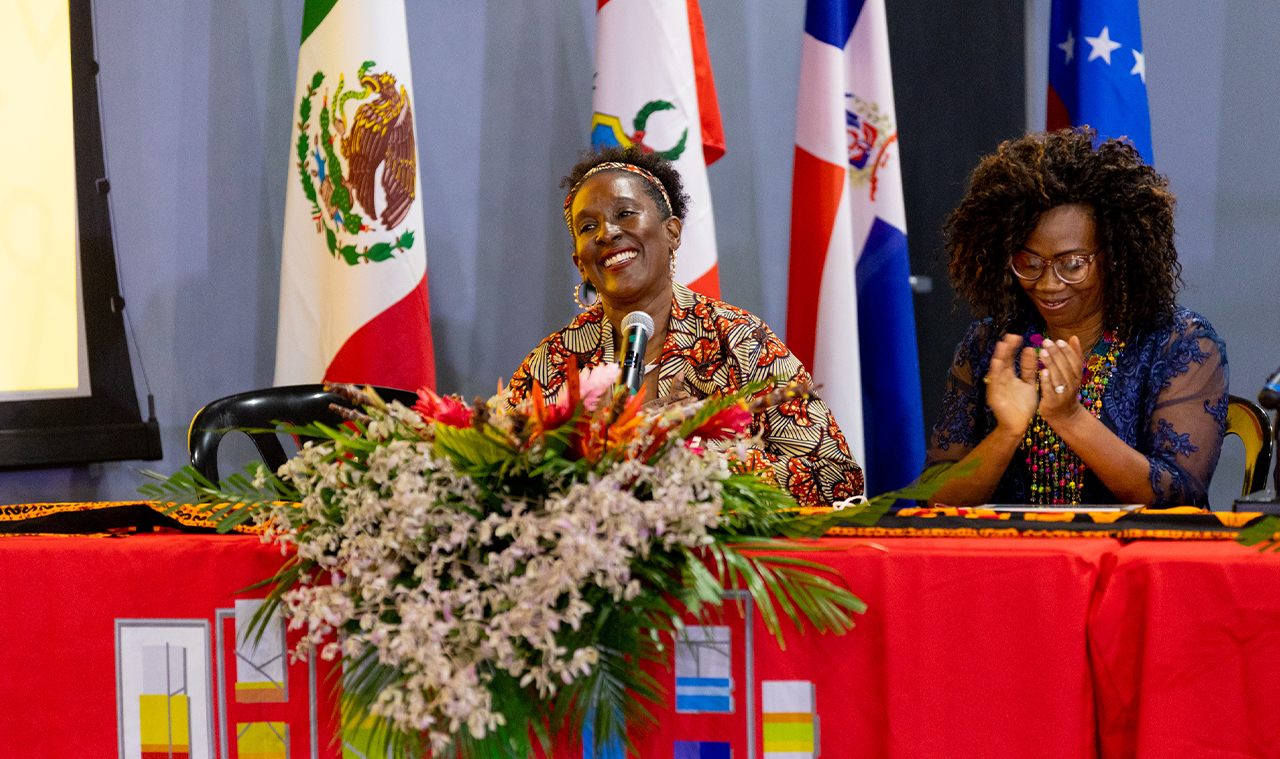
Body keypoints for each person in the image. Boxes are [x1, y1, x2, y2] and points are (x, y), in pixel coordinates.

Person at [508, 146, 863, 507]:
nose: (606, 233)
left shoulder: (738, 339)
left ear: (673, 233)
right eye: (588, 227)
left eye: (625, 214)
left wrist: (691, 456)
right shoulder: (553, 364)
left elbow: (836, 477)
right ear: (580, 264)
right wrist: (586, 449)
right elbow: (495, 483)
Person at [926, 129, 1228, 508]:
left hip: (1132, 562)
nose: (1048, 284)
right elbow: (935, 500)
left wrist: (1071, 419)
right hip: (1011, 562)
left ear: (1115, 256)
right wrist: (1006, 433)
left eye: (1072, 264)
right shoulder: (990, 347)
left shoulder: (1180, 345)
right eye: (1029, 263)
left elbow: (1179, 497)